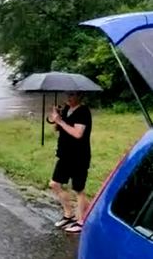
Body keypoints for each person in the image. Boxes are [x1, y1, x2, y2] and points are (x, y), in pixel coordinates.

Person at [49, 91, 92, 234]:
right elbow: (57, 128)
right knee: (54, 184)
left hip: (79, 156)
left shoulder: (83, 112)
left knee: (78, 189)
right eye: (67, 94)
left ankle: (82, 221)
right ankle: (69, 214)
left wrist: (61, 121)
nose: (68, 97)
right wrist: (56, 117)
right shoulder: (67, 109)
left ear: (80, 96)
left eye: (72, 94)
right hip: (65, 155)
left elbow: (78, 134)